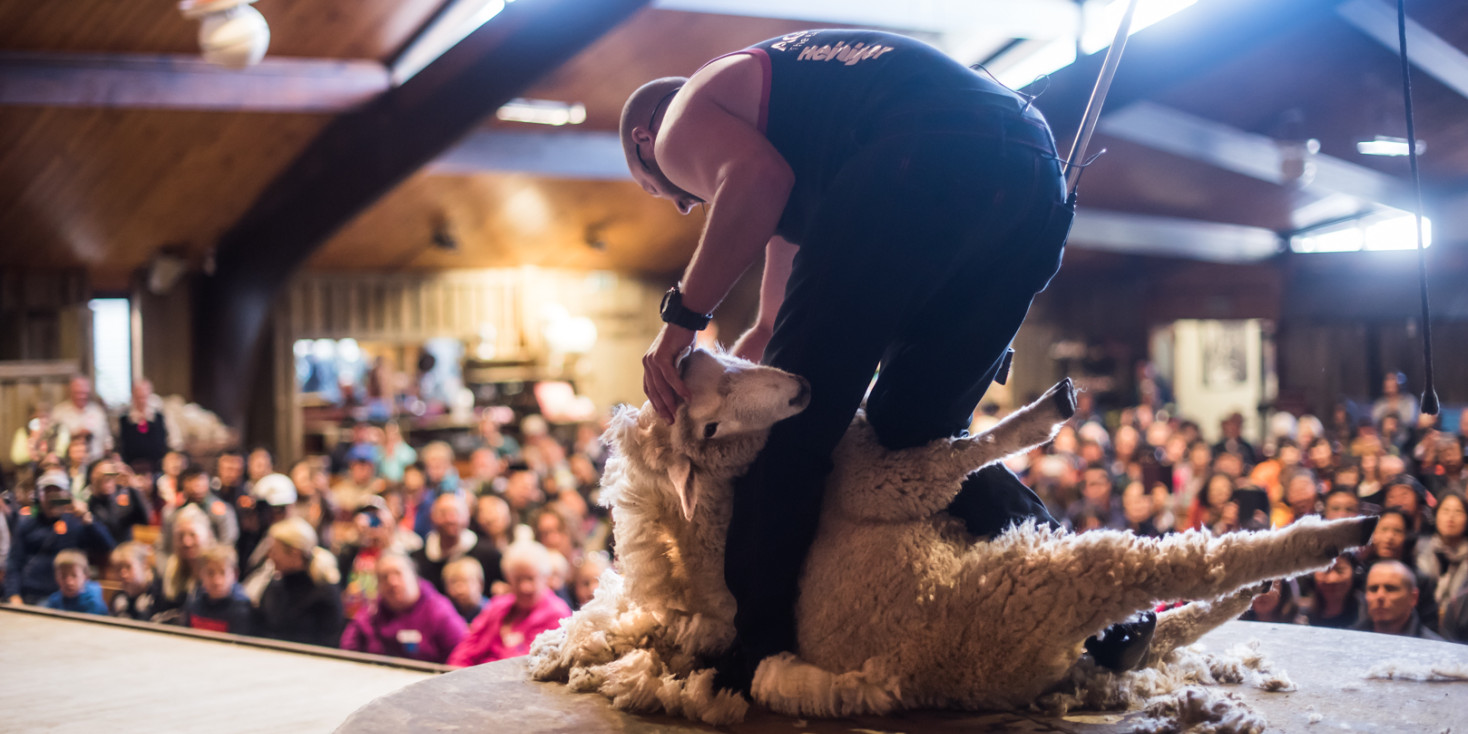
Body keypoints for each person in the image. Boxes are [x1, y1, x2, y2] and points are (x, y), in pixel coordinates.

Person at [624, 29, 1075, 685]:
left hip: (921, 159)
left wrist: (678, 328)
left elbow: (753, 180)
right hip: (1034, 175)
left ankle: (757, 659)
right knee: (915, 437)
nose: (679, 201)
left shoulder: (683, 117)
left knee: (794, 438)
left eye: (656, 188)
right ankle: (1082, 587)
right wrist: (741, 367)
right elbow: (777, 320)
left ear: (644, 141)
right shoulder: (798, 113)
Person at [448, 533, 571, 667]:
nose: (524, 587)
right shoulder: (498, 605)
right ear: (509, 579)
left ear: (544, 577)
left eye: (530, 578)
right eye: (518, 579)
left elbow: (527, 666)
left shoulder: (557, 614)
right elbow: (466, 648)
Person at [6, 471, 116, 604]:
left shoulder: (76, 523)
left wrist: (88, 520)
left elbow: (108, 546)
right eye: (47, 492)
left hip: (66, 596)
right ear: (40, 497)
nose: (52, 497)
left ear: (66, 496)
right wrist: (13, 595)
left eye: (57, 492)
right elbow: (14, 563)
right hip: (31, 593)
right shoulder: (27, 524)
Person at [340, 550, 466, 664]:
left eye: (398, 574)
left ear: (414, 576)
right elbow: (348, 647)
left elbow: (462, 655)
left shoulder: (439, 612)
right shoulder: (373, 611)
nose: (392, 582)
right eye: (384, 577)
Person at [255, 517, 343, 648]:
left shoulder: (325, 592)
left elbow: (329, 642)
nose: (269, 556)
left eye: (274, 551)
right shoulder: (275, 585)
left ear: (295, 553)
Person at [411, 493, 503, 595]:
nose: (450, 519)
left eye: (456, 513)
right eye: (443, 514)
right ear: (431, 517)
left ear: (468, 516)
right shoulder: (419, 559)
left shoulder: (489, 555)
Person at [1354, 560, 1444, 640]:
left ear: (1413, 598)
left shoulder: (1435, 648)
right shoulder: (1351, 639)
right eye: (1373, 589)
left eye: (1390, 589)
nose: (1380, 596)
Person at [1416, 492, 1467, 627]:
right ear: (1436, 515)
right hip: (1423, 621)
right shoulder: (1419, 550)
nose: (1451, 517)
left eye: (1458, 511)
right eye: (1445, 511)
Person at [181, 545, 253, 634]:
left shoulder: (242, 608)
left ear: (235, 574)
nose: (216, 581)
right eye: (210, 573)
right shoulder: (194, 603)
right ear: (200, 574)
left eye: (223, 573)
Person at [117, 379, 175, 473]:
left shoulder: (159, 416)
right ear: (133, 396)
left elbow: (172, 440)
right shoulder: (124, 418)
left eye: (144, 397)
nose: (141, 401)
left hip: (157, 467)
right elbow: (119, 444)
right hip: (131, 467)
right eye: (138, 397)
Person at [50, 376, 111, 463]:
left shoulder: (97, 411)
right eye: (78, 393)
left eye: (84, 393)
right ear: (70, 392)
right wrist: (74, 435)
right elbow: (53, 441)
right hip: (67, 463)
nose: (81, 396)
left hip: (95, 462)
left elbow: (107, 440)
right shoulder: (59, 412)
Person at [41, 549, 107, 615]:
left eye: (74, 576)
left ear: (85, 577)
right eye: (63, 576)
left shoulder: (93, 603)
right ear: (56, 577)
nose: (69, 582)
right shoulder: (54, 600)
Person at [108, 541, 160, 621]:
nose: (123, 574)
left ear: (144, 566)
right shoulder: (118, 597)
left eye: (128, 567)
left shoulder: (158, 595)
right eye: (118, 569)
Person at [442, 556, 489, 624]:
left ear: (480, 583)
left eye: (465, 581)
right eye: (453, 582)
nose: (459, 589)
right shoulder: (447, 612)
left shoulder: (489, 611)